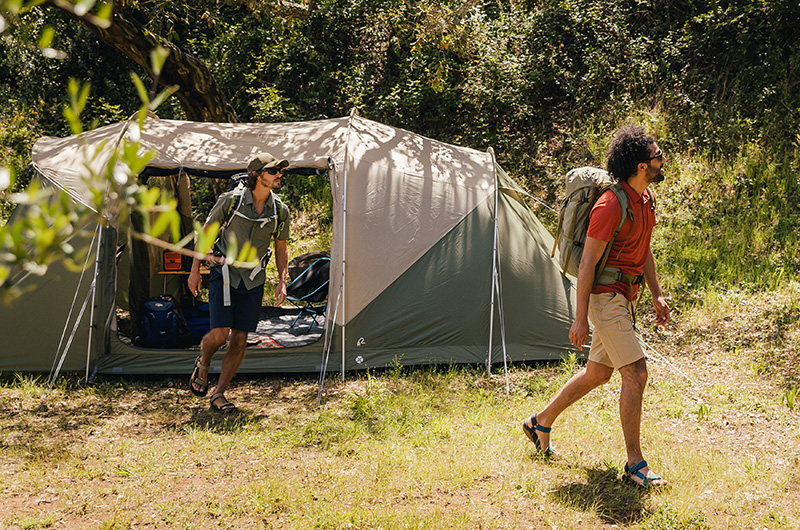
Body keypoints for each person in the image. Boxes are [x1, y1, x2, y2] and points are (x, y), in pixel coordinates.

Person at [522, 125, 670, 487]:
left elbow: (643, 248)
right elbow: (587, 264)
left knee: (598, 374)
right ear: (640, 166)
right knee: (635, 373)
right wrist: (580, 318)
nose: (662, 160)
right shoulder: (609, 204)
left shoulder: (645, 200)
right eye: (657, 156)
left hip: (623, 297)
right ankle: (636, 464)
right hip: (605, 299)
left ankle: (539, 422)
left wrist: (656, 293)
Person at [188, 153, 290, 412]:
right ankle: (204, 360)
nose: (279, 174)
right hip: (223, 274)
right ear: (257, 175)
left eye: (279, 170)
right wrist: (194, 271)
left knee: (241, 338)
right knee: (221, 334)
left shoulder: (280, 210)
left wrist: (281, 280)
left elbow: (281, 248)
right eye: (273, 170)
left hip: (254, 279)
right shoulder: (230, 201)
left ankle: (219, 393)